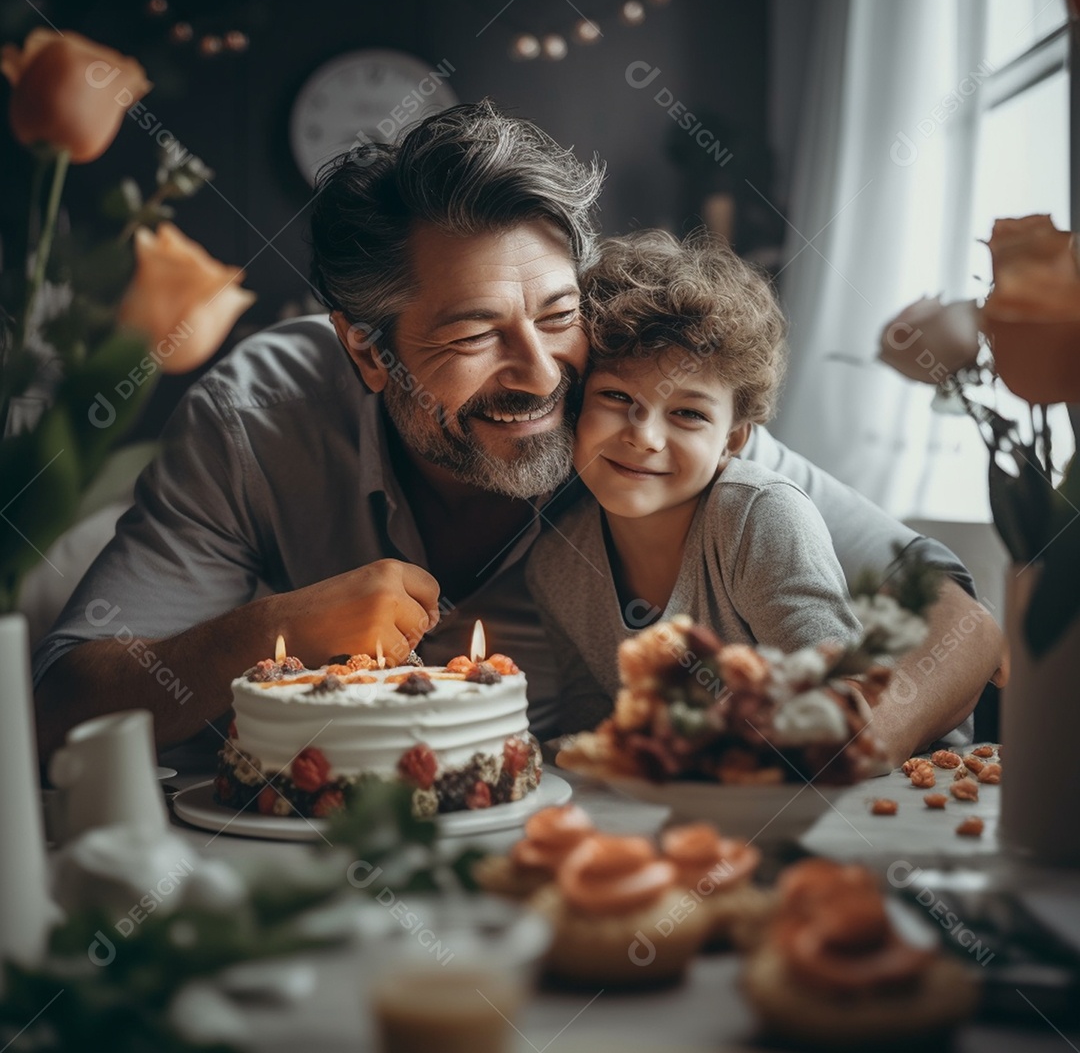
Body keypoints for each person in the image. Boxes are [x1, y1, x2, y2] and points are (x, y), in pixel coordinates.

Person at [32, 101, 1003, 765]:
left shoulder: (632, 398)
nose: (541, 376)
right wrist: (281, 627)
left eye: (553, 314)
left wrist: (861, 730)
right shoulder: (258, 419)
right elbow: (65, 703)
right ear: (368, 354)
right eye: (471, 334)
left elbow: (958, 620)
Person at [526, 230, 862, 734]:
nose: (645, 437)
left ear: (733, 440)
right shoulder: (556, 564)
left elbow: (839, 705)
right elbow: (592, 721)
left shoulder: (757, 518)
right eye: (616, 398)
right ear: (575, 406)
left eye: (687, 413)